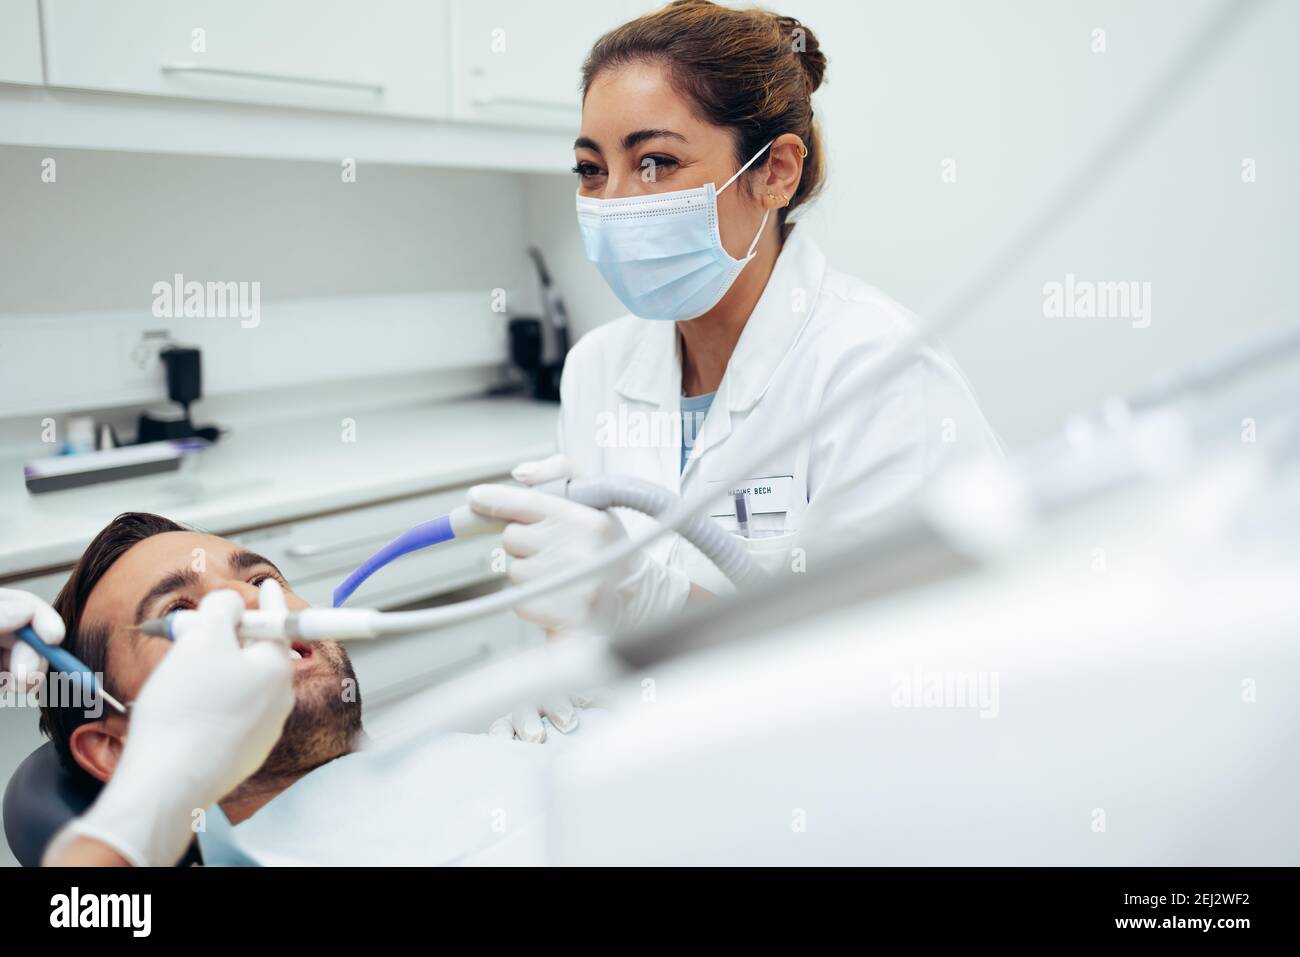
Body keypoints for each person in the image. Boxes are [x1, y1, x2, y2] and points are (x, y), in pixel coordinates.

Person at [468, 0, 1003, 640]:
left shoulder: (878, 368)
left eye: (656, 162)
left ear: (775, 172)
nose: (612, 203)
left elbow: (892, 661)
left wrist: (654, 604)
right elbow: (578, 611)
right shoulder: (598, 366)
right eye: (592, 170)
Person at [23, 512, 591, 865]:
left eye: (262, 579)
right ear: (117, 749)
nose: (254, 602)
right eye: (180, 612)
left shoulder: (505, 747)